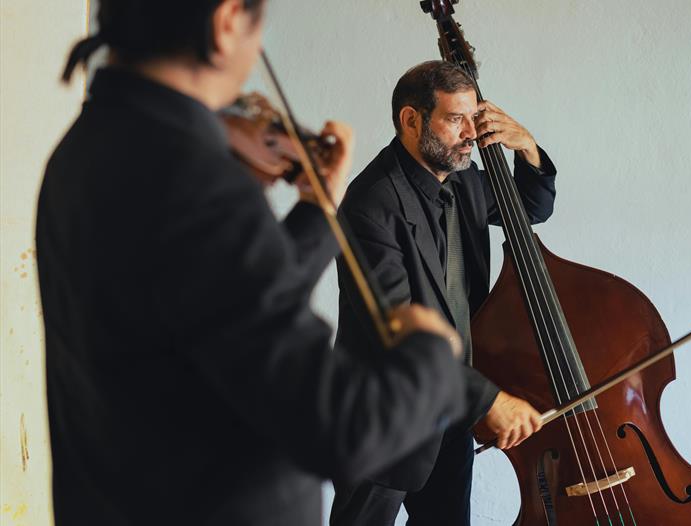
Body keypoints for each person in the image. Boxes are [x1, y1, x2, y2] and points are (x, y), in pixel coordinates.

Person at [37, 2, 467, 525]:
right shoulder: (198, 183)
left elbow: (219, 312)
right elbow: (337, 429)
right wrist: (433, 354)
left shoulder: (85, 147)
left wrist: (315, 215)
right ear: (226, 21)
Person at [331, 60, 557, 526]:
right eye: (455, 119)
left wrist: (527, 146)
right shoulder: (370, 204)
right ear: (410, 120)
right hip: (384, 418)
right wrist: (491, 402)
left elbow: (532, 208)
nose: (470, 133)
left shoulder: (466, 181)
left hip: (451, 410)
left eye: (473, 118)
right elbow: (393, 330)